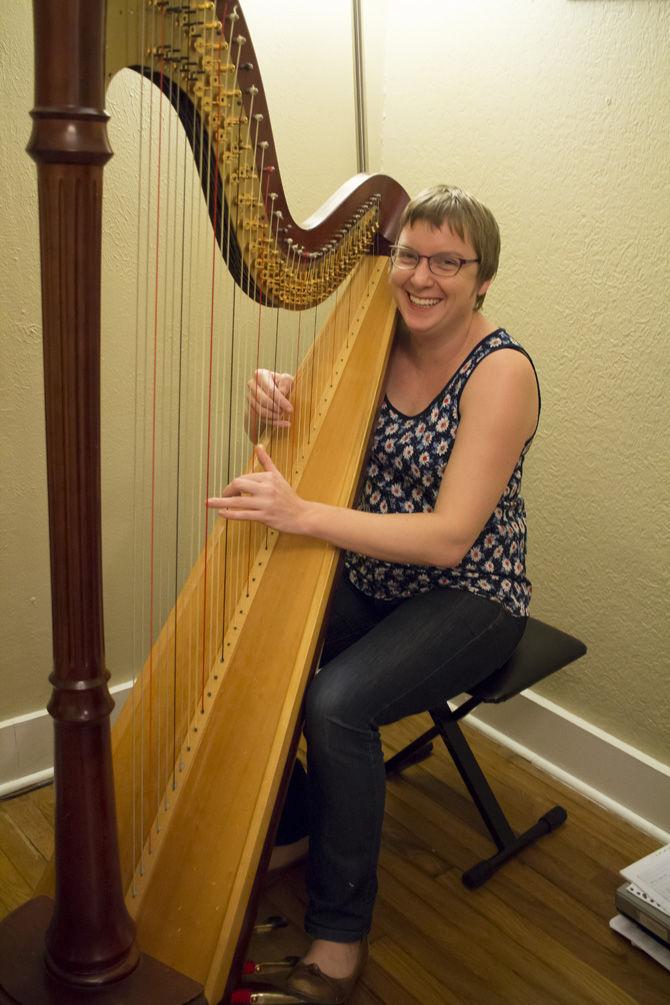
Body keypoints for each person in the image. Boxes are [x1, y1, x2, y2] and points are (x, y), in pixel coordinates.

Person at [208, 184, 540, 1004]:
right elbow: (325, 425)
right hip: (378, 577)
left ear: (483, 278)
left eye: (447, 263)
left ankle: (337, 945)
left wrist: (303, 514)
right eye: (410, 256)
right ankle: (292, 825)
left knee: (336, 704)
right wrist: (275, 392)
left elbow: (448, 535)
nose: (422, 277)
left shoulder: (501, 373)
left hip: (471, 596)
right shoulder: (378, 338)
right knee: (247, 643)